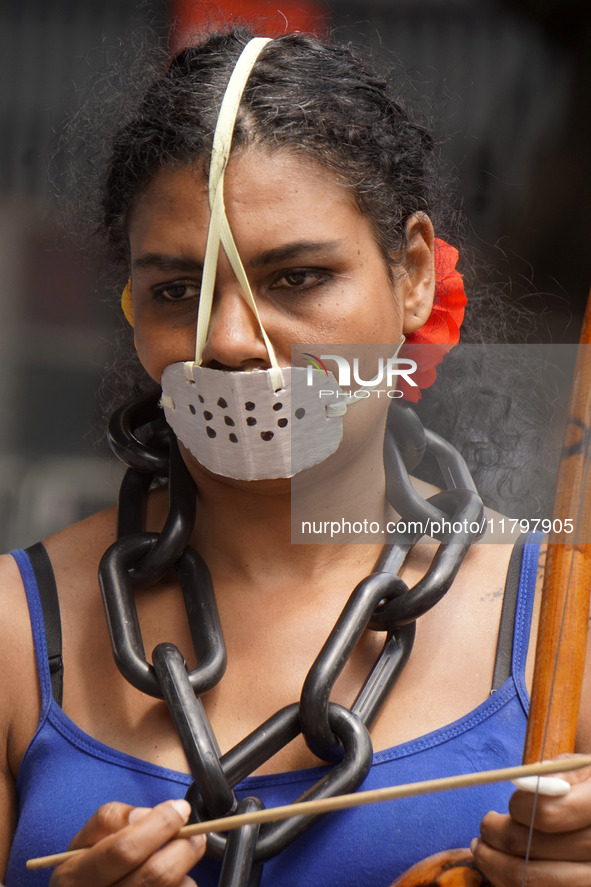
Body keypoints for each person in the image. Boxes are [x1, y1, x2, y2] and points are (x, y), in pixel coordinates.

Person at [1, 28, 590, 887]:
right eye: (177, 291)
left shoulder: (566, 624)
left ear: (415, 274)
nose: (233, 342)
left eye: (297, 277)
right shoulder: (14, 633)